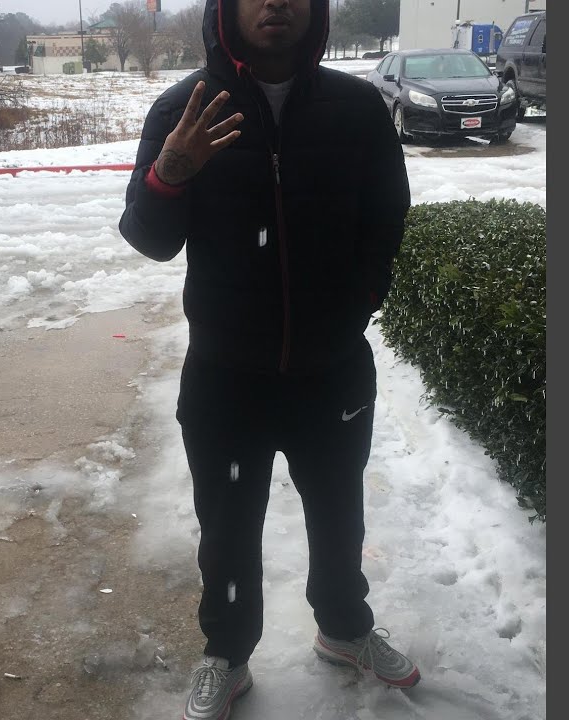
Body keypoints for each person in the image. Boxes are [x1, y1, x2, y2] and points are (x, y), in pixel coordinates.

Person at [118, 1, 416, 718]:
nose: (274, 2)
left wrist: (359, 300)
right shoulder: (185, 109)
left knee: (339, 515)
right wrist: (171, 171)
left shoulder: (356, 109)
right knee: (227, 528)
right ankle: (227, 653)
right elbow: (148, 238)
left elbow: (387, 215)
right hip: (227, 378)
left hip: (332, 371)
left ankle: (344, 628)